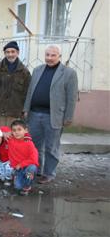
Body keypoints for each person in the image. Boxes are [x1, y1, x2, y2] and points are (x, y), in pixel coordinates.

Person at [23, 44, 78, 184]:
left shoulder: (69, 73)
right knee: (34, 145)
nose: (50, 58)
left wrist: (69, 117)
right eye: (47, 55)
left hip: (54, 116)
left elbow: (72, 97)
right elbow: (30, 91)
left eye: (53, 55)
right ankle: (37, 170)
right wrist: (26, 109)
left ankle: (49, 173)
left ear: (59, 56)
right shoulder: (37, 70)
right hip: (34, 114)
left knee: (51, 147)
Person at [0, 41, 31, 127]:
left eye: (13, 52)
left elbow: (27, 93)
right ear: (4, 53)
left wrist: (25, 110)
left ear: (18, 53)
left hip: (14, 114)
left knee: (12, 139)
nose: (10, 54)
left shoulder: (24, 72)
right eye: (7, 52)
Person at [8, 120, 39, 196]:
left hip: (27, 167)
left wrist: (21, 164)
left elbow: (34, 160)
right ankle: (17, 176)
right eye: (14, 130)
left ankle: (28, 184)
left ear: (26, 130)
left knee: (31, 169)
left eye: (19, 129)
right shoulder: (10, 140)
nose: (17, 132)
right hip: (18, 169)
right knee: (18, 187)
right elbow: (1, 131)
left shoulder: (29, 143)